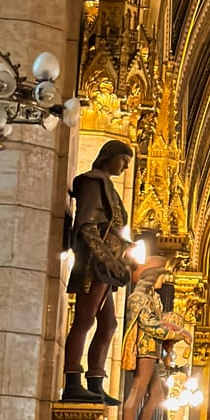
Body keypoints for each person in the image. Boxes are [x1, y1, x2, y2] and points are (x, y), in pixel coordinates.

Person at [62, 141, 136, 405]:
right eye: (124, 159)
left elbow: (113, 228)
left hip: (109, 268)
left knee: (109, 324)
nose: (126, 165)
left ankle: (95, 383)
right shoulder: (93, 181)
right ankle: (72, 381)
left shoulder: (109, 185)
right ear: (109, 156)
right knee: (85, 318)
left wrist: (126, 250)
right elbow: (87, 226)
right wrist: (105, 258)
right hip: (96, 265)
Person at [120, 262, 177, 420]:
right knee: (138, 388)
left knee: (158, 394)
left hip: (154, 349)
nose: (164, 280)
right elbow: (148, 323)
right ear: (152, 277)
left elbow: (159, 320)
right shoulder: (138, 297)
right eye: (162, 276)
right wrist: (173, 332)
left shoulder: (154, 298)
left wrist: (176, 329)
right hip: (144, 347)